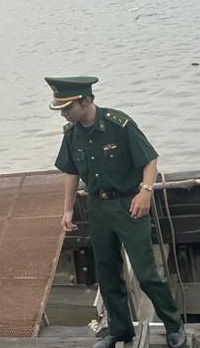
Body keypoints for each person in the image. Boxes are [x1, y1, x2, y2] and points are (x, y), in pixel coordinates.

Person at [48, 76, 186, 348]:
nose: (63, 114)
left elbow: (150, 160)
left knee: (146, 273)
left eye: (67, 108)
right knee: (107, 272)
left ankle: (173, 326)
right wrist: (67, 210)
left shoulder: (118, 124)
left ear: (87, 101)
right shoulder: (71, 133)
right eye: (61, 109)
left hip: (129, 205)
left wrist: (145, 192)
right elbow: (71, 173)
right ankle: (119, 331)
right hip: (98, 207)